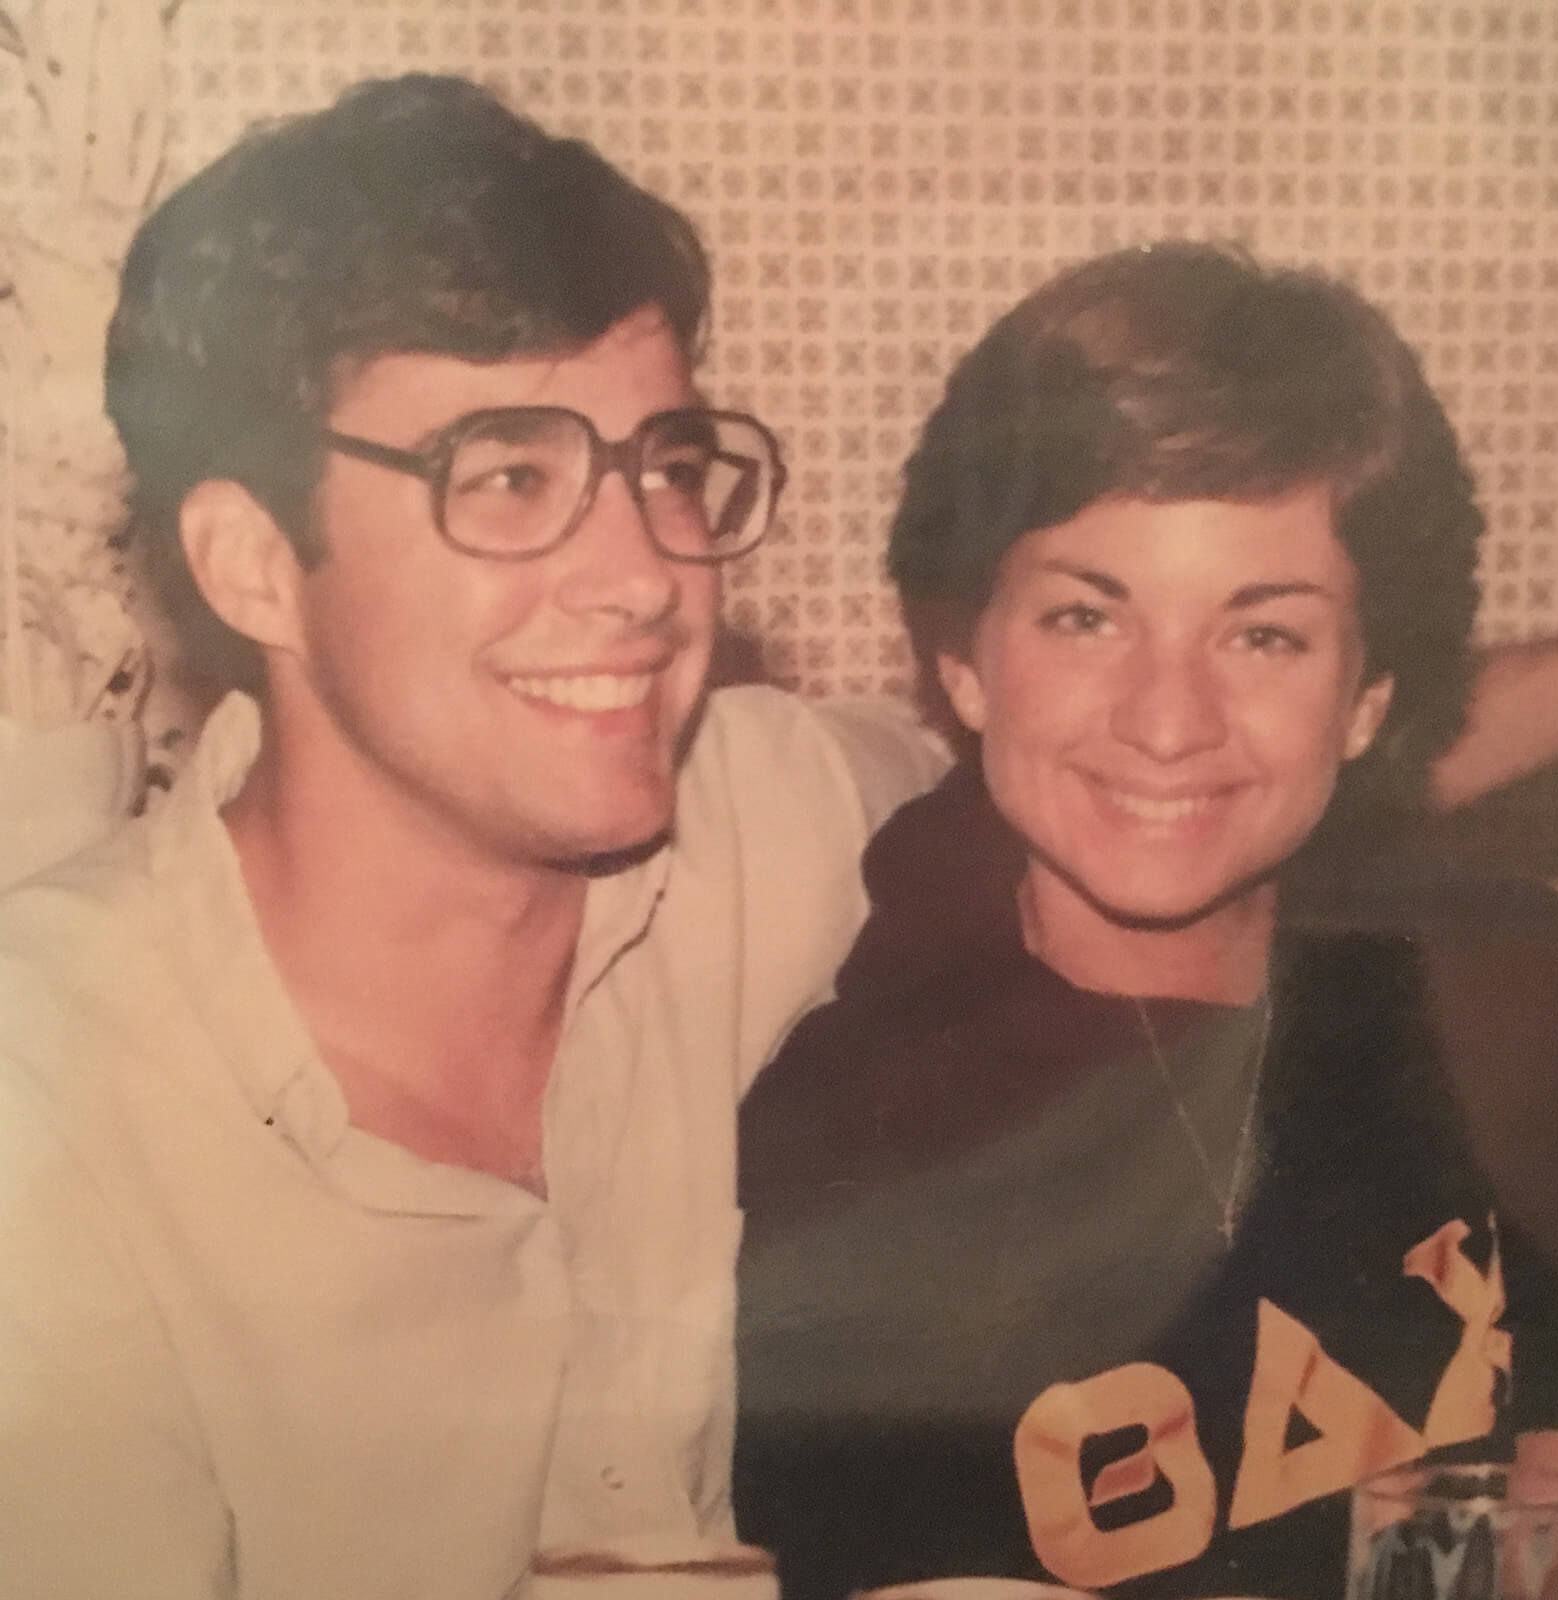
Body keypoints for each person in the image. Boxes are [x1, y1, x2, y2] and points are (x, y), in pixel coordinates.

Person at [0, 74, 946, 1599]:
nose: (646, 577)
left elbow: (1122, 752)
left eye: (668, 470)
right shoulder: (46, 1116)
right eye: (512, 478)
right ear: (252, 565)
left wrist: (1432, 708)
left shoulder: (763, 816)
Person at [734, 242, 1558, 1600]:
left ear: (1365, 699)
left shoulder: (1470, 986)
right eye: (1088, 617)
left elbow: (1526, 1484)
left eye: (1264, 635)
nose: (1168, 720)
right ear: (963, 658)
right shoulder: (857, 1159)